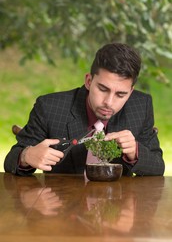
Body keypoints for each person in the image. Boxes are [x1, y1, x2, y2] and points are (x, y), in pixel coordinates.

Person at [4, 42, 165, 176]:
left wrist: (136, 151)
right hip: (62, 206)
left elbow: (158, 167)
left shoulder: (141, 106)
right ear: (89, 81)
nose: (109, 102)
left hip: (117, 208)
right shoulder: (49, 107)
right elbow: (10, 160)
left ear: (131, 92)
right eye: (102, 89)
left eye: (120, 94)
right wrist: (26, 156)